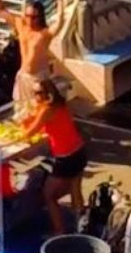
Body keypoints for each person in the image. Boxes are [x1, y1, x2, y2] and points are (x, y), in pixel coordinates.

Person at [19, 80, 87, 236]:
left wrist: (23, 124)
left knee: (49, 195)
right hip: (79, 151)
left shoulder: (47, 110)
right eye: (34, 93)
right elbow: (50, 124)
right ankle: (81, 228)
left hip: (66, 158)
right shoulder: (60, 105)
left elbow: (30, 133)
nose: (35, 96)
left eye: (38, 93)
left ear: (47, 94)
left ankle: (59, 231)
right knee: (75, 189)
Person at [0, 0, 58, 117]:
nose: (29, 20)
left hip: (39, 77)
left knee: (39, 109)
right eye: (27, 16)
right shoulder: (20, 25)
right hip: (24, 75)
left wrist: (60, 1)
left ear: (40, 17)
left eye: (33, 17)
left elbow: (59, 24)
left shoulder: (44, 33)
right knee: (21, 109)